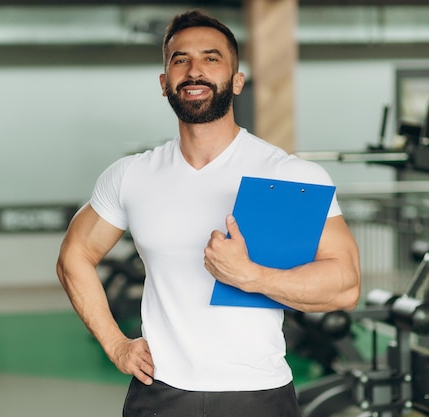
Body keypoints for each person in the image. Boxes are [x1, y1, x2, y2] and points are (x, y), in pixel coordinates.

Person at [56, 9, 360, 417]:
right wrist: (115, 343)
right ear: (165, 84)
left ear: (237, 81)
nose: (194, 70)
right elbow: (74, 256)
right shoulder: (132, 175)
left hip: (258, 393)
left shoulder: (288, 175)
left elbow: (345, 286)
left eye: (211, 58)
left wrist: (251, 276)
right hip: (159, 392)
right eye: (180, 59)